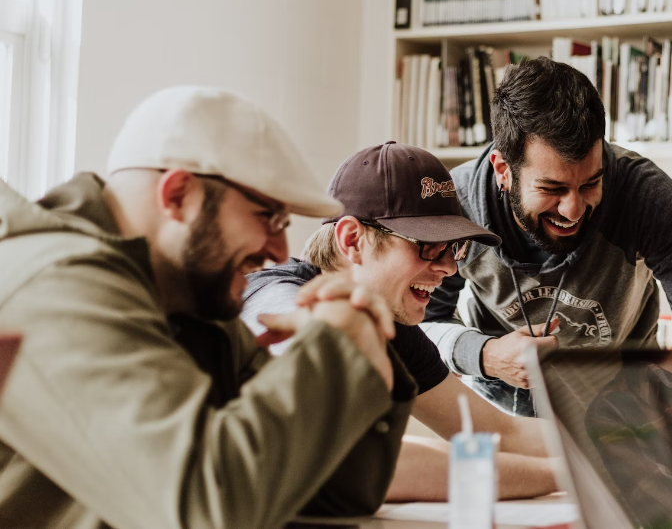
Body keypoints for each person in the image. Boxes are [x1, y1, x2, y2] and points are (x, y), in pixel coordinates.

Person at [244, 142, 672, 500]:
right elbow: (363, 462)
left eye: (453, 250)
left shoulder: (391, 324)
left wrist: (663, 444)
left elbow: (496, 433)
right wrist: (602, 471)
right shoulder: (278, 303)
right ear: (353, 240)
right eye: (429, 247)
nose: (449, 268)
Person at [0, 87, 413, 529]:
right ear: (178, 194)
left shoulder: (189, 298)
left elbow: (330, 494)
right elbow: (205, 509)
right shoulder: (59, 285)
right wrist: (334, 351)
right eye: (268, 217)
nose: (279, 251)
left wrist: (363, 344)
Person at [421, 56, 672, 451]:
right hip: (504, 425)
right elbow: (420, 325)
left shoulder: (645, 196)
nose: (573, 210)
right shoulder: (457, 209)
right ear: (503, 169)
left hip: (625, 417)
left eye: (590, 183)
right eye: (552, 189)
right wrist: (484, 354)